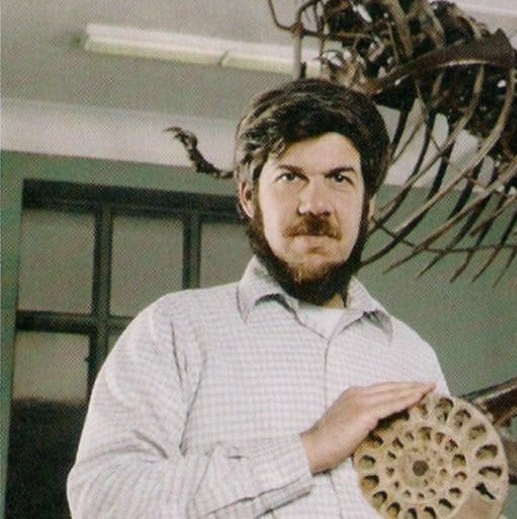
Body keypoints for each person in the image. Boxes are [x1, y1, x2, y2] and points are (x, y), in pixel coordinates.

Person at [67, 78, 448, 518]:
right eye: (290, 176)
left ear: (369, 207)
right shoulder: (174, 330)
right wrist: (308, 450)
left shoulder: (414, 357)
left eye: (340, 179)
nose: (315, 204)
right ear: (249, 197)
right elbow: (104, 501)